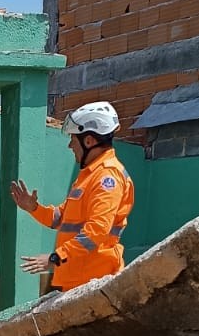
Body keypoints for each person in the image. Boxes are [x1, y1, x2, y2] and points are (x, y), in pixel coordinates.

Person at [10, 100, 135, 292]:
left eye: (73, 139)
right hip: (78, 279)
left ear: (89, 141)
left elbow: (97, 231)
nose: (70, 145)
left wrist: (55, 258)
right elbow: (62, 218)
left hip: (94, 281)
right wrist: (34, 209)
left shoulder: (107, 177)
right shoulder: (89, 175)